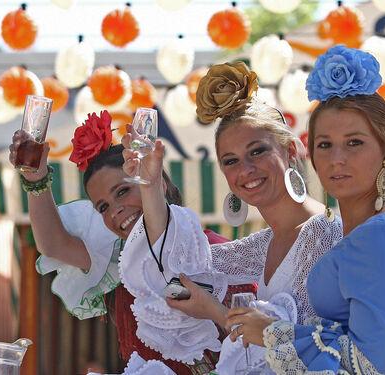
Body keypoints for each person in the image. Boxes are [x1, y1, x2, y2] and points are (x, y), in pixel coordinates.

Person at [120, 62, 343, 371]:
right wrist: (150, 184)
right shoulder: (261, 245)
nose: (245, 170)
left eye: (257, 152)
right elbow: (172, 267)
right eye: (231, 161)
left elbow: (314, 348)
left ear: (291, 151)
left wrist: (216, 311)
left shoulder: (328, 232)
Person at [226, 46, 385, 373]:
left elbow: (368, 363)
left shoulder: (378, 235)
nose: (337, 158)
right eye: (325, 144)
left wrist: (273, 333)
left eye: (354, 142)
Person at [8, 110, 251, 373]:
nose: (115, 211)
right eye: (102, 207)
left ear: (158, 182)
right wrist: (36, 181)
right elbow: (54, 245)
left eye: (123, 191)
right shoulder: (124, 267)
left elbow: (258, 346)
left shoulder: (215, 252)